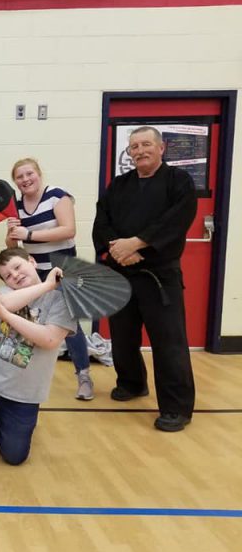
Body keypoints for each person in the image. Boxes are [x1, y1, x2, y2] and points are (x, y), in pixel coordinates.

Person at [93, 126, 197, 432]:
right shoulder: (119, 185)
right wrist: (118, 248)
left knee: (169, 342)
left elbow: (176, 220)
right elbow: (102, 220)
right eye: (134, 146)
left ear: (161, 147)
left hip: (159, 275)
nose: (140, 151)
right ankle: (131, 383)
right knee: (123, 336)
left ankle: (177, 408)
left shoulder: (179, 182)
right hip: (121, 270)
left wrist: (137, 243)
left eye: (146, 144)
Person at [0, 248, 75, 465]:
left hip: (24, 394)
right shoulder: (7, 291)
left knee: (14, 456)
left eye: (18, 267)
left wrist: (6, 317)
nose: (15, 276)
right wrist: (48, 284)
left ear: (32, 261)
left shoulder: (63, 300)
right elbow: (6, 304)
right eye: (8, 276)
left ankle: (5, 418)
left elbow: (49, 340)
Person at [5, 158, 94, 401]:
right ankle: (25, 378)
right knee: (32, 323)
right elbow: (12, 245)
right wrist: (13, 231)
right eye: (19, 177)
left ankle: (83, 376)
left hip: (64, 270)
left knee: (68, 325)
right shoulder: (17, 206)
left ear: (38, 173)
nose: (25, 180)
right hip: (36, 275)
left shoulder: (57, 196)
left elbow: (69, 230)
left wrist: (30, 234)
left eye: (29, 174)